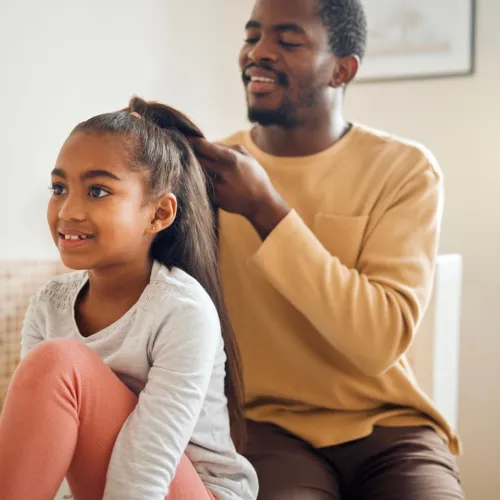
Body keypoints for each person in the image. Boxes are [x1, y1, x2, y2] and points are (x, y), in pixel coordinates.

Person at [191, 0, 465, 498]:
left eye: (288, 41)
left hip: (390, 428)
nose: (259, 53)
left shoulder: (404, 171)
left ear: (343, 70)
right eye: (252, 36)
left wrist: (265, 210)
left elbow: (378, 340)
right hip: (266, 427)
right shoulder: (209, 172)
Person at [0, 97, 258, 500]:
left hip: (187, 489)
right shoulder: (47, 305)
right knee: (53, 363)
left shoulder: (181, 310)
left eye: (98, 191)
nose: (68, 210)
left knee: (59, 361)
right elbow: (44, 453)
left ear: (158, 214)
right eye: (59, 187)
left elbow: (147, 464)